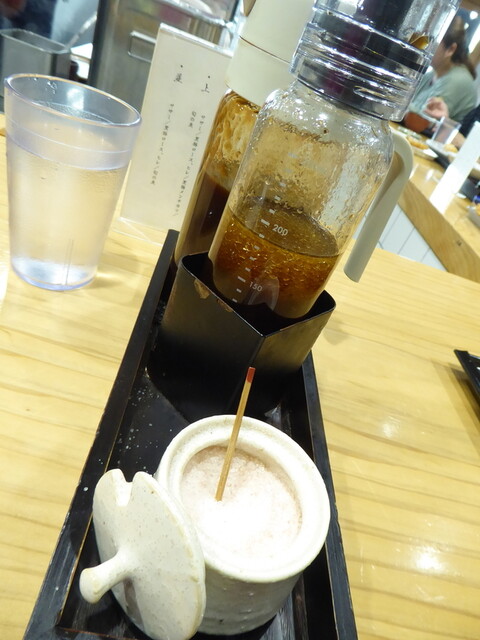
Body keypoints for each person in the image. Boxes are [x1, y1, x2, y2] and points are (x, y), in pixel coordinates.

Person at [405, 16, 477, 124]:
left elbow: (419, 121)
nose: (424, 46)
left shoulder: (458, 79)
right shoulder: (432, 74)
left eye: (431, 42)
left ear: (451, 49)